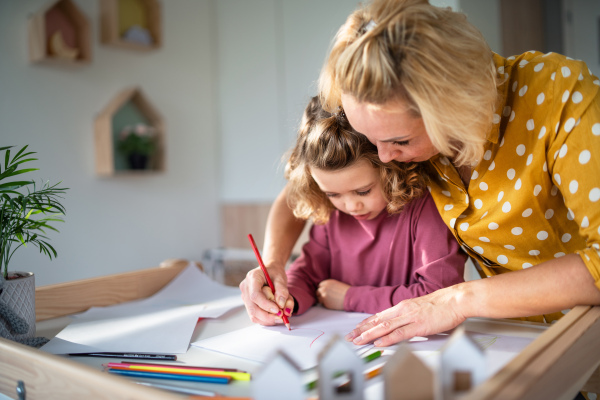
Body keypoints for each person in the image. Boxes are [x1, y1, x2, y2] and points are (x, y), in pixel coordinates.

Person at [240, 0, 600, 350]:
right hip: (517, 340)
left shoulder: (559, 98)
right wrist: (273, 264)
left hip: (585, 338)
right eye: (371, 141)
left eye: (399, 140)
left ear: (452, 108)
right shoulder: (401, 135)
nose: (385, 158)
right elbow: (298, 193)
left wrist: (455, 300)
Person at [239, 96, 466, 325]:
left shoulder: (425, 206)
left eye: (363, 191)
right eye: (333, 194)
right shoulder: (332, 214)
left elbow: (440, 295)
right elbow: (308, 275)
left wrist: (351, 298)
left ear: (390, 170)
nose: (350, 206)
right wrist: (286, 298)